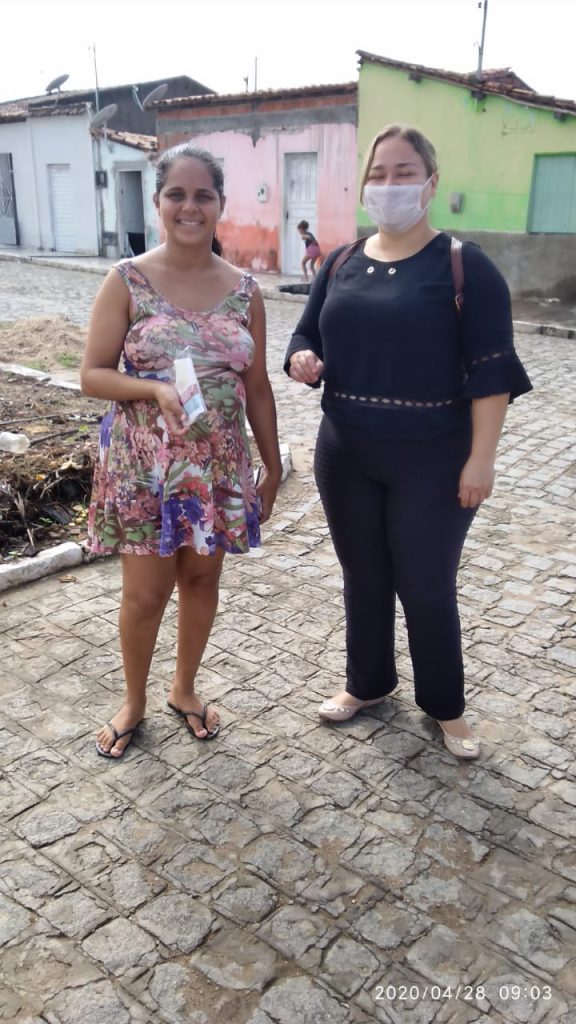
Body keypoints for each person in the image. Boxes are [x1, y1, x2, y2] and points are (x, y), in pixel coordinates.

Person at [284, 123, 532, 759]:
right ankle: (367, 683)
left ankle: (446, 707)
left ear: (431, 183)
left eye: (403, 173)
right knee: (363, 575)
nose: (389, 185)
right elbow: (305, 335)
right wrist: (302, 358)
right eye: (378, 173)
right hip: (345, 451)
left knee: (425, 583)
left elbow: (491, 374)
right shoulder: (340, 261)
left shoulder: (464, 266)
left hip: (434, 457)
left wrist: (482, 460)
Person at [81, 143, 282, 758]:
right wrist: (152, 389)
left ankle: (184, 688)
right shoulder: (127, 280)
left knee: (201, 581)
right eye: (177, 194)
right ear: (158, 201)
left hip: (217, 469)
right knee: (144, 595)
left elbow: (257, 386)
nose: (189, 207)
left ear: (220, 204)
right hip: (146, 470)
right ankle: (134, 700)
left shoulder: (245, 291)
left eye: (203, 196)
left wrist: (272, 466)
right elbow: (92, 374)